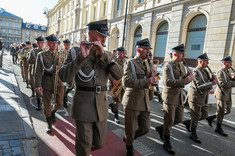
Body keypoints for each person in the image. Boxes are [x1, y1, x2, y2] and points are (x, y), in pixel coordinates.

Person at [58, 19, 123, 156]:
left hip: (101, 105)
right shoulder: (76, 52)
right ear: (90, 34)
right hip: (83, 105)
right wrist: (81, 57)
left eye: (105, 36)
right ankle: (83, 151)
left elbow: (118, 75)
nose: (104, 39)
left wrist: (103, 55)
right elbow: (63, 76)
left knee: (99, 143)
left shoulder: (108, 55)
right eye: (101, 35)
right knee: (85, 144)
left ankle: (82, 150)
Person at [155, 44, 195, 155]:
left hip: (179, 97)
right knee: (169, 120)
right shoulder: (168, 66)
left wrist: (188, 77)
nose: (183, 56)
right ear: (175, 54)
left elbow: (181, 79)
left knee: (179, 119)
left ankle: (161, 129)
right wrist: (185, 80)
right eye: (181, 54)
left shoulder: (182, 66)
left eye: (183, 54)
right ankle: (166, 141)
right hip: (170, 97)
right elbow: (167, 82)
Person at [122, 38, 157, 156]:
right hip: (132, 101)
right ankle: (129, 147)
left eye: (148, 50)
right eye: (146, 49)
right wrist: (147, 81)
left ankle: (128, 139)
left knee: (145, 128)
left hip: (144, 101)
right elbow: (126, 81)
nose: (148, 52)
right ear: (138, 49)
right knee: (130, 128)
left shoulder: (148, 63)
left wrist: (154, 79)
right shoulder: (130, 63)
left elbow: (149, 80)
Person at [182, 53, 218, 143]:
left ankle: (189, 122)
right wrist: (211, 83)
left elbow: (206, 82)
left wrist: (212, 79)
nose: (208, 63)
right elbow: (199, 86)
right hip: (196, 98)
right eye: (206, 61)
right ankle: (193, 133)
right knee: (196, 116)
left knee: (205, 115)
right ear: (200, 62)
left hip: (203, 98)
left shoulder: (205, 71)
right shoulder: (196, 71)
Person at [35, 34, 65, 133]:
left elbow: (66, 67)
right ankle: (48, 121)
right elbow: (38, 71)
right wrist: (38, 85)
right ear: (48, 44)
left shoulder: (61, 54)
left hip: (59, 81)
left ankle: (53, 112)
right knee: (47, 103)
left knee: (60, 103)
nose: (54, 45)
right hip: (47, 81)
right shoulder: (42, 55)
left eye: (55, 43)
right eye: (52, 43)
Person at [207, 56, 235, 136]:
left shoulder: (227, 71)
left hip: (227, 94)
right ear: (224, 63)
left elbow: (229, 81)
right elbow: (222, 84)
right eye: (229, 63)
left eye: (231, 63)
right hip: (221, 94)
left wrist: (233, 79)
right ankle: (218, 127)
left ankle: (212, 117)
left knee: (228, 110)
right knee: (221, 111)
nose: (231, 64)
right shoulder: (220, 72)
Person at [109, 47, 127, 123]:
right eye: (123, 53)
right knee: (117, 100)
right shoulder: (114, 61)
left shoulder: (125, 61)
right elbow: (109, 72)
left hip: (123, 83)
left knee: (121, 99)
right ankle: (116, 116)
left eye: (125, 53)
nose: (125, 54)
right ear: (119, 53)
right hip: (116, 83)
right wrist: (113, 80)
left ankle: (112, 105)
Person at [28, 36, 45, 110]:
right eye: (40, 43)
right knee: (38, 89)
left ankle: (44, 102)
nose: (41, 44)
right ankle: (39, 103)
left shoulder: (46, 51)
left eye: (42, 43)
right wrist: (37, 60)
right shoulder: (33, 51)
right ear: (37, 43)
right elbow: (29, 61)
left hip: (45, 73)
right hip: (36, 73)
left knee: (45, 89)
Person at [62, 39, 71, 108]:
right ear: (64, 45)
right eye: (66, 44)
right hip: (64, 73)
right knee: (64, 86)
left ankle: (65, 94)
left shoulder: (71, 52)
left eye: (68, 44)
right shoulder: (61, 52)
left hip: (70, 72)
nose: (67, 46)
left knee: (72, 86)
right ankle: (64, 99)